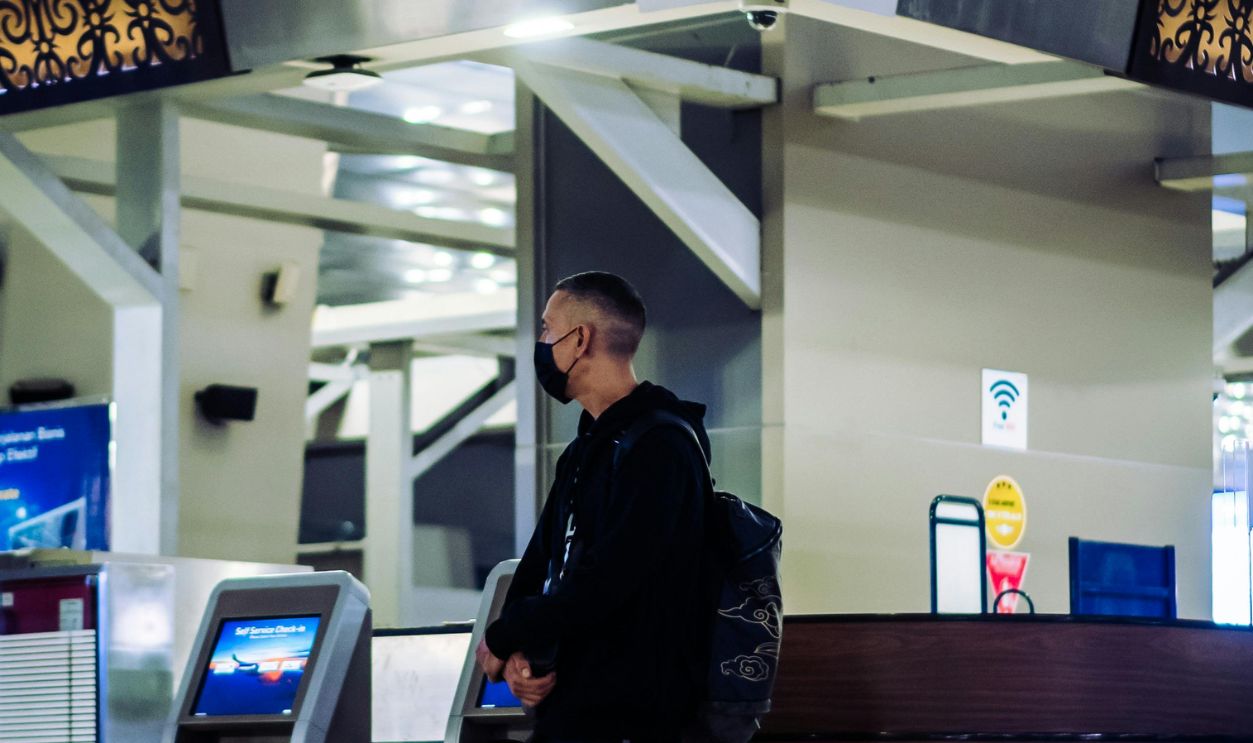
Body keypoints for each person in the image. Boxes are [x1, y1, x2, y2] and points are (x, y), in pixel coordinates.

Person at [475, 271, 712, 743]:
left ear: (580, 338)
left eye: (547, 328)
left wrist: (505, 635)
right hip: (575, 712)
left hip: (637, 720)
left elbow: (610, 578)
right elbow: (543, 560)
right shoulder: (585, 449)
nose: (541, 342)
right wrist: (520, 652)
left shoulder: (662, 444)